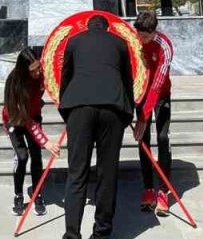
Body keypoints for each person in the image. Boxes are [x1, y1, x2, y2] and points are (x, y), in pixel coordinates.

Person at [58, 14, 135, 239]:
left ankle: (72, 234)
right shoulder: (120, 43)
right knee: (107, 172)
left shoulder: (74, 41)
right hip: (112, 108)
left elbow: (66, 76)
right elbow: (127, 80)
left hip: (79, 108)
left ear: (88, 27)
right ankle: (102, 233)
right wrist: (129, 112)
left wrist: (66, 108)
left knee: (77, 173)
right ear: (107, 28)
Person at [3, 48, 61, 216]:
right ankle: (18, 195)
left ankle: (37, 194)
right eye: (33, 69)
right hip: (15, 119)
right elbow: (25, 119)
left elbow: (56, 83)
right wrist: (46, 142)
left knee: (36, 156)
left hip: (33, 117)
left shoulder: (41, 76)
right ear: (23, 70)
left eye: (39, 67)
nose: (38, 72)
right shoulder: (14, 84)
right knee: (22, 157)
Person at [133, 12, 174, 216]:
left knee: (162, 138)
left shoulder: (164, 46)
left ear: (154, 31)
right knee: (143, 140)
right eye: (140, 35)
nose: (143, 40)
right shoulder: (133, 40)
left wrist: (143, 116)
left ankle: (163, 191)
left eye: (146, 37)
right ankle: (148, 188)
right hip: (140, 96)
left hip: (160, 96)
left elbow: (157, 85)